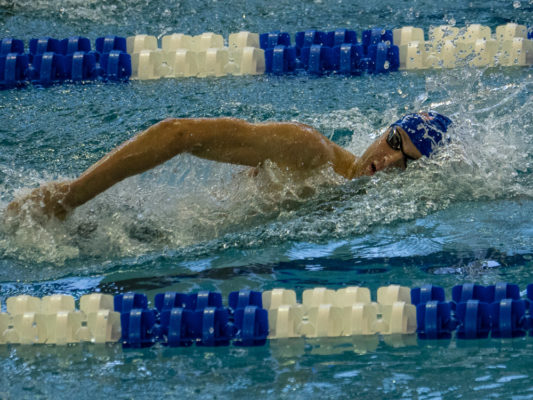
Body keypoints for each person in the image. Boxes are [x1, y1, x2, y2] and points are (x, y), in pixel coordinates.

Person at [5, 111, 452, 221]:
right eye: (394, 141)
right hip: (145, 232)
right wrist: (70, 198)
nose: (389, 158)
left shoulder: (355, 196)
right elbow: (176, 133)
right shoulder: (309, 150)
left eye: (406, 160)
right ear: (383, 130)